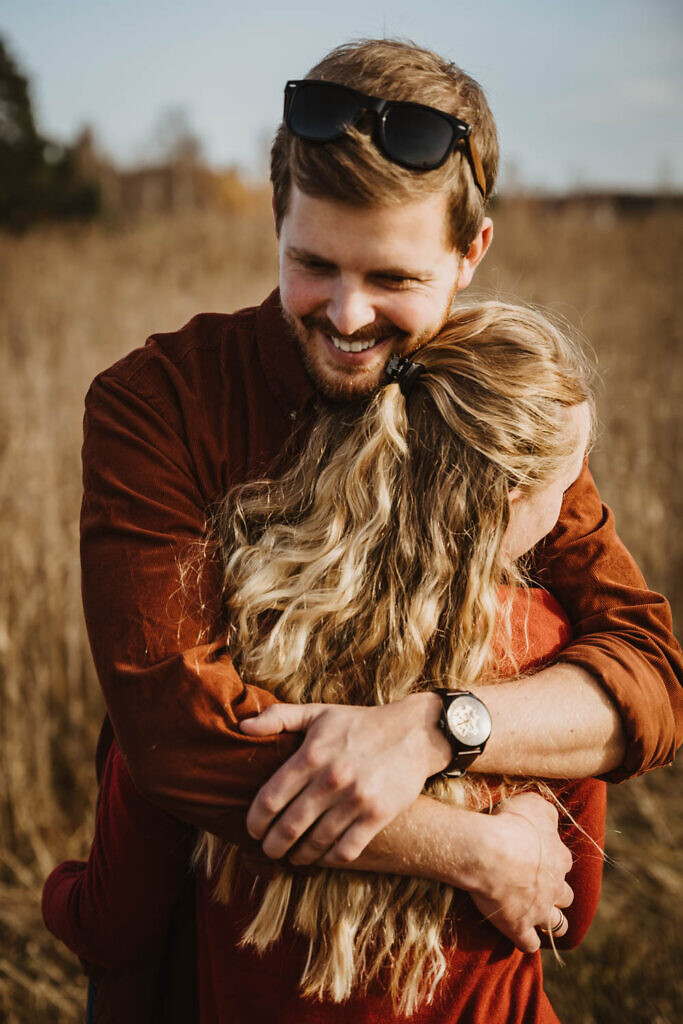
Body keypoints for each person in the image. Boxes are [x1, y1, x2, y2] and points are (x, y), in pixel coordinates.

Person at [62, 36, 680, 1019]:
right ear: (276, 222)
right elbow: (179, 740)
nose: (346, 316)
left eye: (390, 278)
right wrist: (479, 848)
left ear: (468, 253)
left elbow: (649, 678)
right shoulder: (160, 402)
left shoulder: (500, 424)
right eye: (312, 264)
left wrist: (435, 727)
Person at [45, 301, 607, 1023]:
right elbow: (569, 916)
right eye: (567, 484)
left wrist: (53, 892)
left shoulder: (229, 652)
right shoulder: (551, 661)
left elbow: (112, 924)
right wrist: (512, 823)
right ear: (507, 501)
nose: (569, 512)